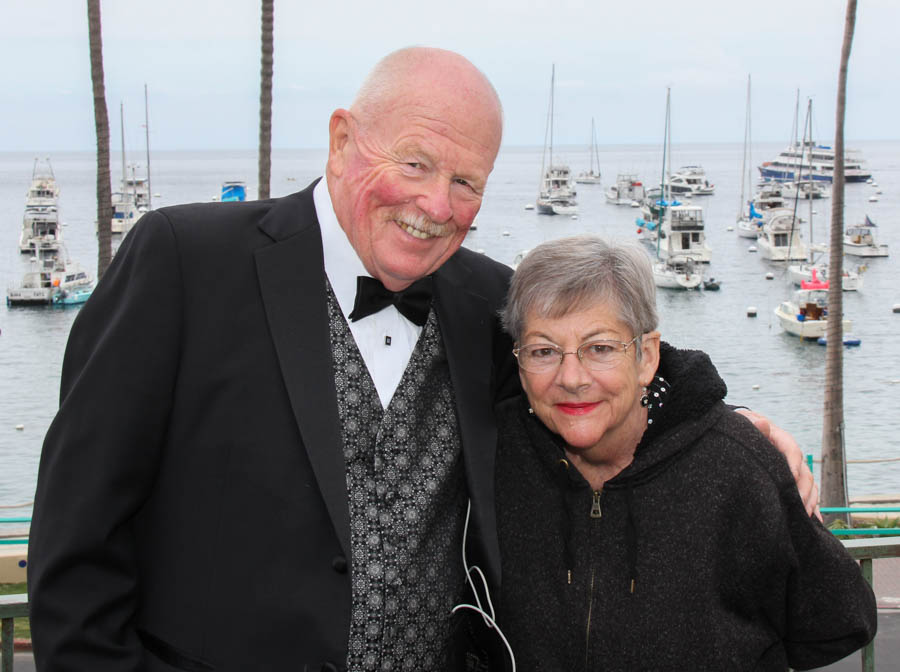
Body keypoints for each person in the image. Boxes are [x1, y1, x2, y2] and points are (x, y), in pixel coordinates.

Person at [28, 48, 814, 672]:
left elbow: (603, 372)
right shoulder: (183, 262)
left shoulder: (491, 301)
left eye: (466, 181)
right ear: (342, 140)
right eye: (414, 163)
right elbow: (76, 535)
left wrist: (730, 427)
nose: (437, 205)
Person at [490, 236, 876, 671]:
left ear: (646, 356)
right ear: (519, 364)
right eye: (543, 351)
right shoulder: (495, 454)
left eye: (599, 348)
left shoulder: (734, 467)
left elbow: (837, 619)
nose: (572, 377)